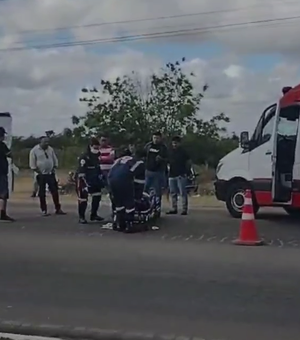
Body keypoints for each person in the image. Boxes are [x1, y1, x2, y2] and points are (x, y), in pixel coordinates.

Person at [108, 149, 145, 232]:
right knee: (129, 202)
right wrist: (138, 196)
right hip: (124, 178)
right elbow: (140, 182)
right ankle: (129, 225)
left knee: (119, 203)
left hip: (111, 178)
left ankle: (119, 224)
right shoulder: (140, 163)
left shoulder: (120, 159)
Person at [29, 136, 66, 216]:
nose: (47, 144)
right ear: (40, 142)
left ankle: (58, 208)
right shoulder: (34, 151)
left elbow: (54, 158)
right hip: (41, 174)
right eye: (45, 142)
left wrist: (54, 167)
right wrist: (38, 171)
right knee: (42, 192)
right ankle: (44, 210)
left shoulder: (50, 149)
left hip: (50, 173)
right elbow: (32, 164)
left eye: (47, 142)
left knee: (54, 191)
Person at [76, 138, 105, 224]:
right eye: (95, 148)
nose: (96, 150)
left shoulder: (98, 155)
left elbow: (98, 167)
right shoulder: (84, 156)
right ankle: (81, 217)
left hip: (95, 178)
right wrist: (85, 183)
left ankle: (94, 214)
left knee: (97, 196)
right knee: (83, 199)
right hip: (83, 179)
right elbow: (81, 171)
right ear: (90, 146)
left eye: (97, 148)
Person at [144, 131, 168, 216]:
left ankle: (157, 209)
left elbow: (168, 159)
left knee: (157, 191)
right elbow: (143, 156)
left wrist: (161, 159)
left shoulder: (163, 147)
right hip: (148, 171)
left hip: (158, 172)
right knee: (145, 190)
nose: (155, 139)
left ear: (160, 138)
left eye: (157, 138)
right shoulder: (148, 146)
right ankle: (145, 207)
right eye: (154, 138)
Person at [166, 136, 191, 215]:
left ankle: (184, 209)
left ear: (179, 143)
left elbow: (188, 162)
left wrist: (187, 172)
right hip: (172, 174)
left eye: (176, 143)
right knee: (173, 192)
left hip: (181, 174)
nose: (174, 145)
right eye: (173, 143)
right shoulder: (170, 151)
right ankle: (174, 208)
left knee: (182, 192)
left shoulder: (183, 152)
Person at [0, 127, 14, 222]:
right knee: (3, 194)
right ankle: (2, 213)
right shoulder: (2, 145)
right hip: (1, 172)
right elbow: (10, 154)